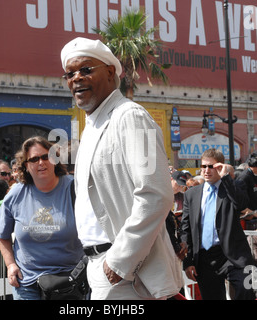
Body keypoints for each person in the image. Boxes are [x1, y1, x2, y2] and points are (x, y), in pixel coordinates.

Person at [61, 37, 182, 300]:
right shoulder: (93, 125)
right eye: (70, 74)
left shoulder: (130, 116)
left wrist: (120, 259)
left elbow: (156, 194)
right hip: (100, 265)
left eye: (86, 70)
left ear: (110, 72)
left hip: (128, 272)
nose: (77, 78)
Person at [0, 136, 85, 300]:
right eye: (34, 159)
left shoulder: (74, 188)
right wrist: (10, 265)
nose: (41, 163)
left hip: (68, 283)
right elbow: (1, 233)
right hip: (27, 283)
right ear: (26, 166)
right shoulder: (17, 193)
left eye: (46, 156)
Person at [181, 148, 256, 300]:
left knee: (247, 288)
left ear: (220, 167)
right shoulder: (191, 194)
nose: (206, 170)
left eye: (212, 167)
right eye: (204, 166)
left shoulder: (231, 187)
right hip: (204, 258)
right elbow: (186, 228)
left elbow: (241, 203)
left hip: (233, 255)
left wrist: (227, 177)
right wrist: (187, 262)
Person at [166, 171, 188, 261]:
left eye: (181, 186)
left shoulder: (182, 197)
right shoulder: (163, 195)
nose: (179, 188)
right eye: (177, 184)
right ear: (171, 179)